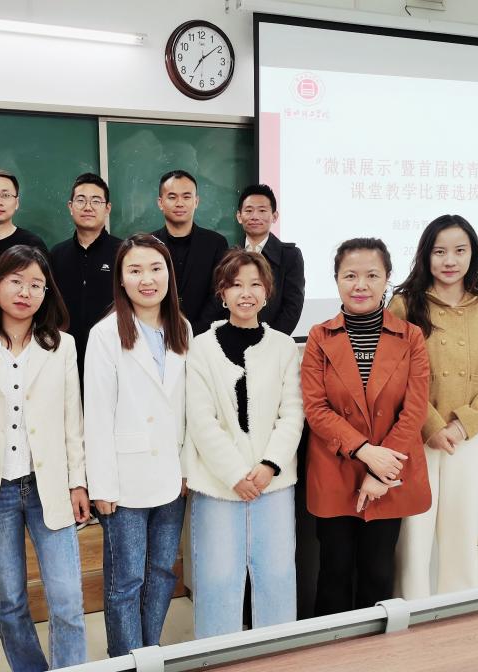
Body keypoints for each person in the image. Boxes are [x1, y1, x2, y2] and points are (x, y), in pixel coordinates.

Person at [0, 245, 90, 671]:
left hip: (46, 485)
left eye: (36, 284)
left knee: (67, 599)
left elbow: (73, 419)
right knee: (11, 600)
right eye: (16, 281)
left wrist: (78, 482)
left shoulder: (63, 346)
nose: (25, 292)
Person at [389, 214, 478, 598]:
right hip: (416, 436)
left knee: (463, 531)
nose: (450, 260)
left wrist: (463, 425)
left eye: (460, 251)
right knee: (414, 535)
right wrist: (431, 425)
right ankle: (410, 609)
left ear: (472, 254)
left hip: (469, 437)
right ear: (425, 255)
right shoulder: (404, 304)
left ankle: (459, 609)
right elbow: (394, 372)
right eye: (440, 251)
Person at [302, 238, 431, 614]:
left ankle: (376, 648)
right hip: (334, 468)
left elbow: (414, 409)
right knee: (334, 572)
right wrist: (364, 452)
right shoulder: (319, 336)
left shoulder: (411, 337)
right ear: (337, 280)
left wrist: (380, 469)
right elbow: (316, 408)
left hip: (390, 471)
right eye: (350, 276)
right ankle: (333, 644)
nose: (361, 285)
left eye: (372, 275)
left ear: (387, 278)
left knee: (378, 572)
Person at [185, 249, 303, 638]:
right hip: (218, 483)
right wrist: (236, 473)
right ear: (222, 292)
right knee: (218, 577)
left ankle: (277, 655)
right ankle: (215, 657)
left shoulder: (284, 346)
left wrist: (269, 465)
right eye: (236, 285)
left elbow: (293, 413)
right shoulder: (201, 346)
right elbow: (200, 420)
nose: (246, 293)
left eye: (255, 284)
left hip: (274, 482)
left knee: (276, 575)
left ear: (267, 292)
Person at [83, 233, 191, 657]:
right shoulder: (105, 334)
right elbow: (97, 414)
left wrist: (186, 468)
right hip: (124, 479)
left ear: (169, 274)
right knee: (126, 579)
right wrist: (102, 486)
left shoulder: (182, 328)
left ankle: (150, 653)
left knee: (162, 572)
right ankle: (126, 661)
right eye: (135, 270)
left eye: (155, 269)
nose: (147, 279)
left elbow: (185, 408)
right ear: (121, 279)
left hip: (170, 474)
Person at [49, 173, 123, 381]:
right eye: (81, 200)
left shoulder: (123, 252)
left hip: (113, 353)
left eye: (96, 201)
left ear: (107, 208)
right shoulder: (56, 254)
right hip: (63, 354)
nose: (88, 207)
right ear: (70, 206)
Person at [151, 170, 228, 335]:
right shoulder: (148, 244)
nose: (180, 203)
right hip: (157, 333)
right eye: (172, 197)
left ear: (196, 201)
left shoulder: (216, 243)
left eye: (186, 197)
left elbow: (220, 292)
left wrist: (194, 330)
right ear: (160, 202)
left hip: (205, 335)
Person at [234, 184, 305, 335]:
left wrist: (270, 341)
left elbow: (292, 307)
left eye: (262, 210)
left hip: (272, 341)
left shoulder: (290, 256)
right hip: (232, 338)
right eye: (248, 210)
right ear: (239, 216)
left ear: (274, 216)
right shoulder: (229, 256)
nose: (255, 216)